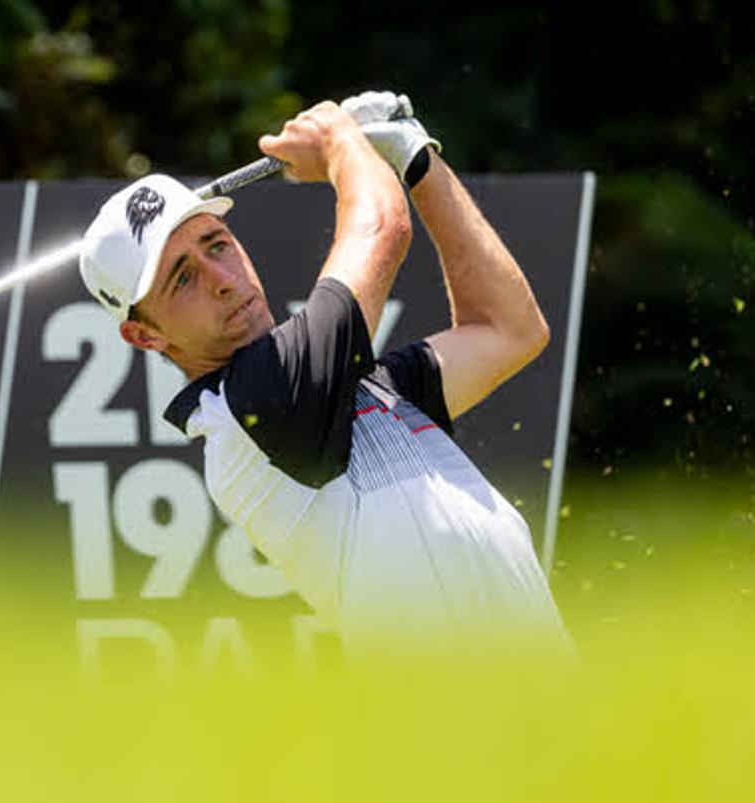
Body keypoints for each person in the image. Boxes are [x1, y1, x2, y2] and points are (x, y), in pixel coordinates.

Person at [79, 91, 567, 659]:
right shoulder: (250, 412)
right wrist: (340, 141)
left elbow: (509, 330)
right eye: (182, 279)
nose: (223, 280)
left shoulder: (357, 388)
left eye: (218, 245)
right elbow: (383, 228)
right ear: (145, 335)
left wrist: (416, 160)